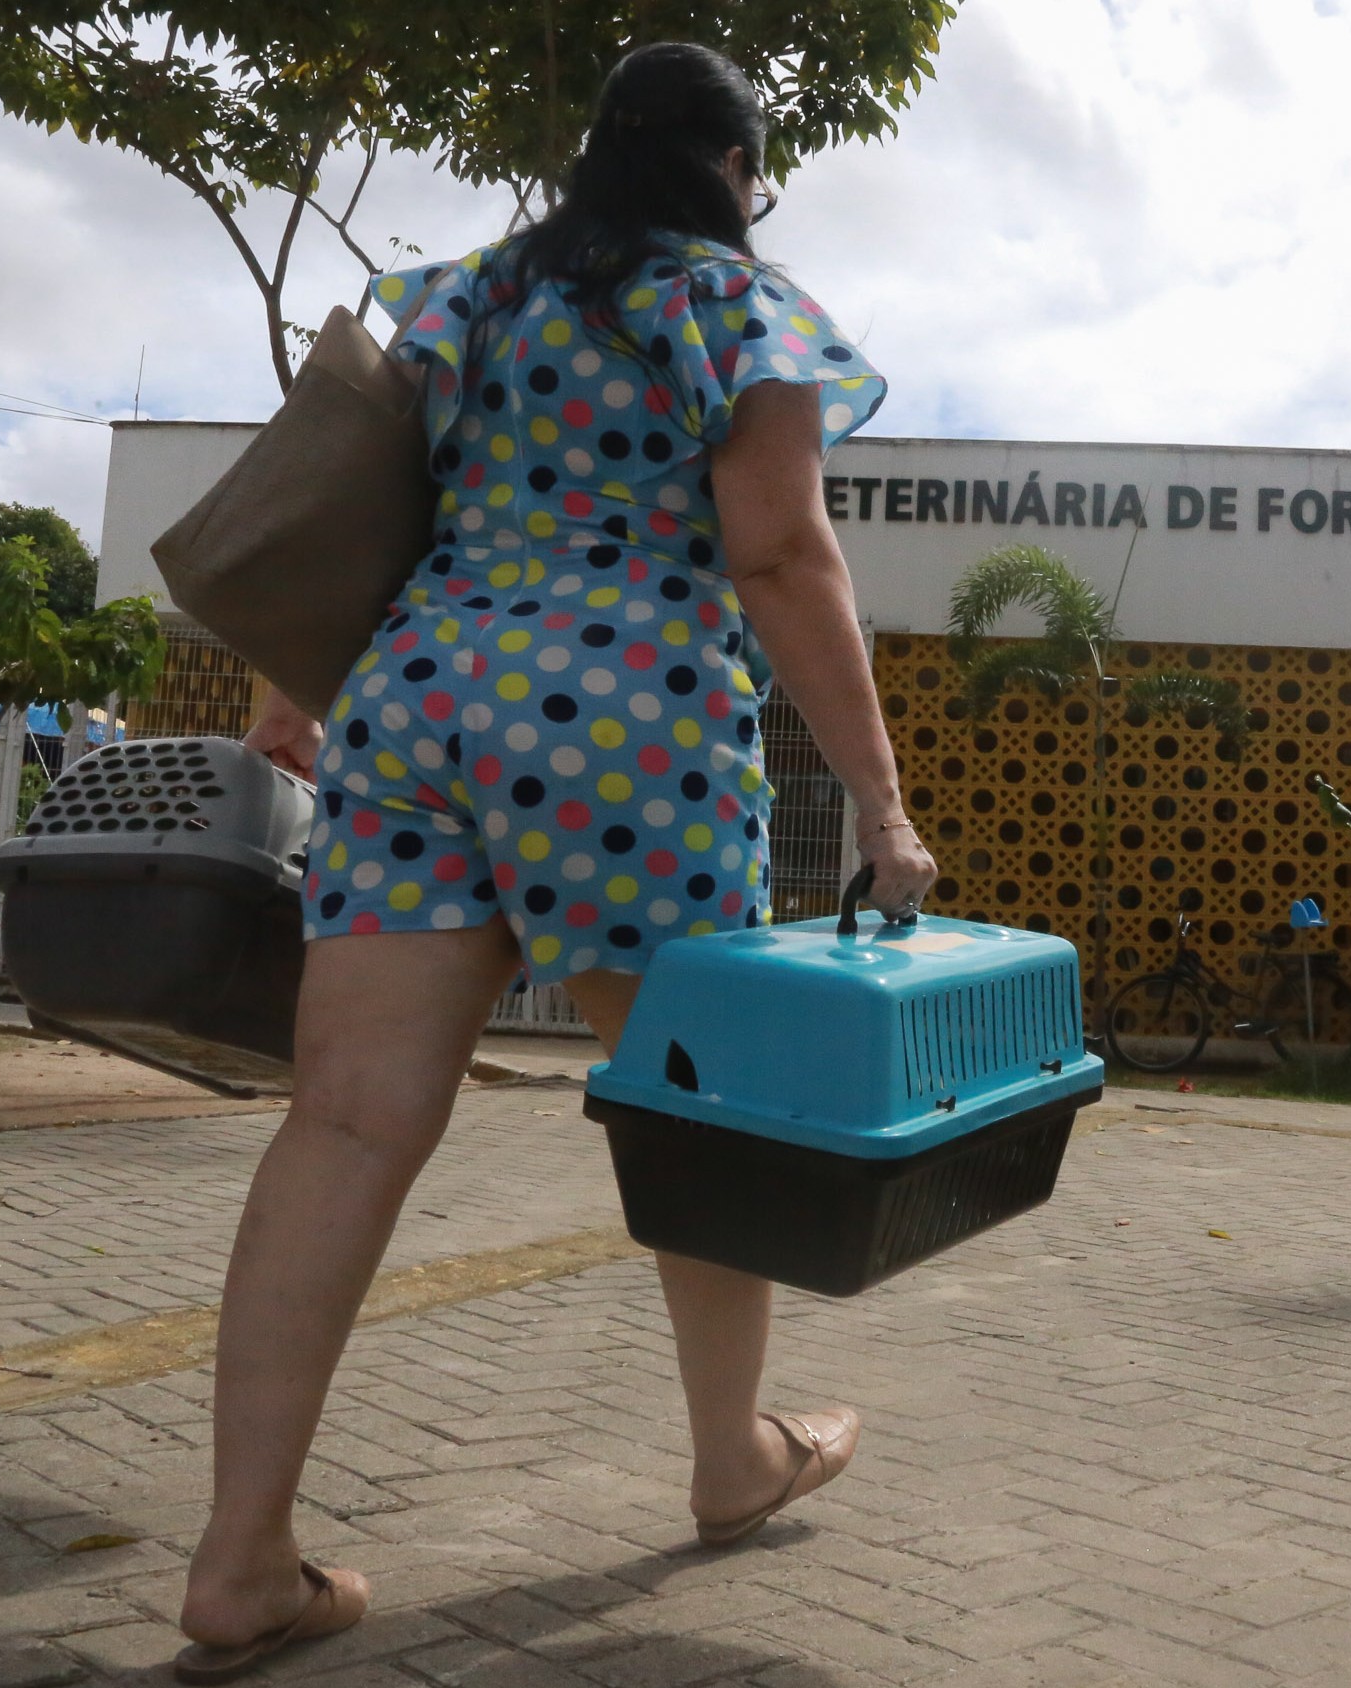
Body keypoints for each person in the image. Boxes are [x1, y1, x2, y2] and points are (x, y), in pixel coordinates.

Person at [170, 43, 937, 1683]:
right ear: (733, 167)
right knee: (693, 1113)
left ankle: (241, 1559)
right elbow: (783, 551)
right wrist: (883, 803)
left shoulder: (457, 301)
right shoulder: (737, 307)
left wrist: (287, 695)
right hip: (626, 720)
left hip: (417, 700)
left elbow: (347, 509)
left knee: (348, 1116)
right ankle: (733, 1456)